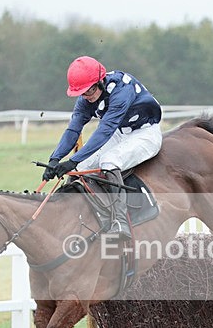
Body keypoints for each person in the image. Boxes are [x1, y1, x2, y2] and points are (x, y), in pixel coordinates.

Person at [43, 55, 163, 240]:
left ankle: (120, 220)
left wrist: (72, 160)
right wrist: (55, 159)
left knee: (109, 161)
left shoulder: (121, 91)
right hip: (119, 133)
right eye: (81, 93)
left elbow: (104, 131)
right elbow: (74, 129)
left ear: (100, 81)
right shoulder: (86, 98)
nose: (86, 97)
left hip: (145, 133)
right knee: (80, 169)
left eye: (89, 91)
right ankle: (72, 216)